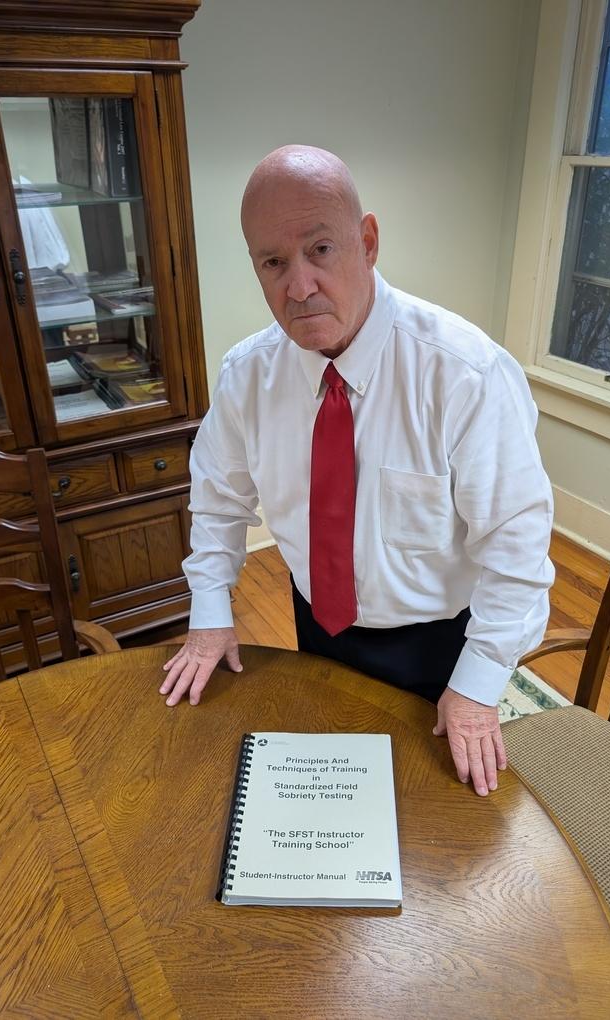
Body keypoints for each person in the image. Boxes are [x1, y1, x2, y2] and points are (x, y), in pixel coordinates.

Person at [160, 145, 554, 797]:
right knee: (333, 803)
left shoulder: (465, 375)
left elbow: (517, 549)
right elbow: (219, 500)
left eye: (320, 249)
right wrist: (209, 612)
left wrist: (478, 686)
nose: (299, 287)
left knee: (431, 827)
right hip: (317, 623)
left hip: (437, 646)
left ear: (367, 242)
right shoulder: (247, 376)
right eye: (273, 262)